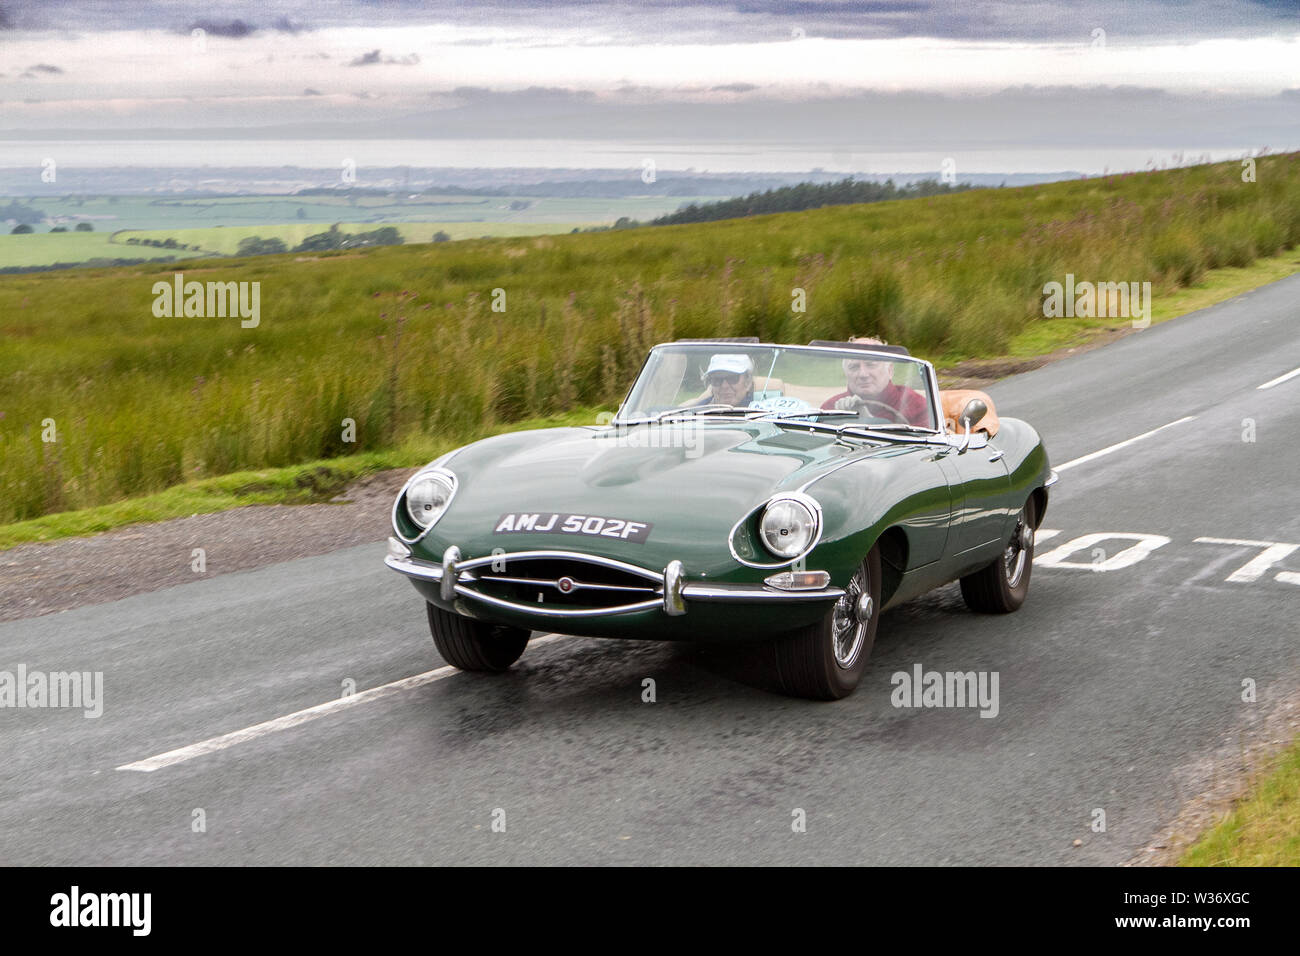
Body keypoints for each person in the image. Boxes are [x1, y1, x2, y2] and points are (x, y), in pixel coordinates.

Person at [821, 335, 930, 427]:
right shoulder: (830, 408)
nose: (863, 374)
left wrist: (869, 421)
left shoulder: (916, 406)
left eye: (871, 365)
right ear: (846, 373)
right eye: (854, 367)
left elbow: (923, 449)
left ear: (890, 370)